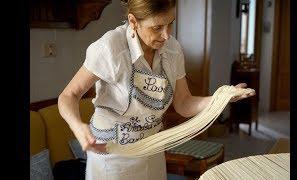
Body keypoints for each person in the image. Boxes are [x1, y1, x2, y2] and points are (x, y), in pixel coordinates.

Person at [58, 0, 256, 179]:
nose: (166, 34)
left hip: (152, 151)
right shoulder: (110, 48)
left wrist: (222, 98)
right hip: (112, 157)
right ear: (133, 21)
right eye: (157, 27)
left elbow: (184, 103)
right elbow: (69, 95)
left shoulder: (173, 49)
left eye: (171, 23)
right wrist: (77, 126)